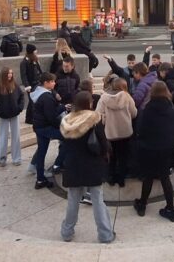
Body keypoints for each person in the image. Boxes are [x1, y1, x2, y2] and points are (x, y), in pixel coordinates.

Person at [60, 91, 115, 243]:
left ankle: (67, 232)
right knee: (98, 200)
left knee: (73, 200)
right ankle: (105, 234)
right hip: (92, 165)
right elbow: (104, 144)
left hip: (73, 164)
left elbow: (64, 144)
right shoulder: (95, 120)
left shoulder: (66, 121)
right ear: (89, 103)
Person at [133, 82, 174, 222]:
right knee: (165, 177)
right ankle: (170, 209)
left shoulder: (147, 109)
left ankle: (142, 204)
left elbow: (140, 130)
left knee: (148, 177)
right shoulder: (171, 108)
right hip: (166, 147)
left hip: (149, 147)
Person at [96, 76, 136, 187]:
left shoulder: (103, 98)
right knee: (123, 156)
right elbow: (134, 113)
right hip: (125, 132)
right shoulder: (127, 97)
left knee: (112, 156)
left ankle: (111, 178)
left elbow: (98, 115)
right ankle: (121, 179)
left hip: (110, 133)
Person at [31, 73, 66, 188]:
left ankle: (40, 179)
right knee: (68, 138)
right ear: (46, 83)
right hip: (46, 127)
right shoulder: (46, 97)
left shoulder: (39, 93)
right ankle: (58, 164)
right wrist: (63, 108)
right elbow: (51, 116)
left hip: (39, 127)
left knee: (41, 152)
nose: (54, 83)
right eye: (52, 81)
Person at [0, 67, 25, 166]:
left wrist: (19, 108)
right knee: (3, 137)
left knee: (16, 136)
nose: (10, 75)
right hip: (3, 116)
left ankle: (16, 158)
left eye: (11, 73)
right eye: (8, 73)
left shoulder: (15, 85)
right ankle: (1, 158)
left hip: (15, 114)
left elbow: (21, 96)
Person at [20, 44, 43, 125]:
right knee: (32, 101)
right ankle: (31, 118)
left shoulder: (35, 60)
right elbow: (23, 75)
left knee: (32, 101)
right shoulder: (24, 62)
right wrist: (27, 85)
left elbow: (40, 71)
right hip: (30, 85)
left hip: (37, 83)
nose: (36, 53)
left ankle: (29, 118)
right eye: (34, 52)